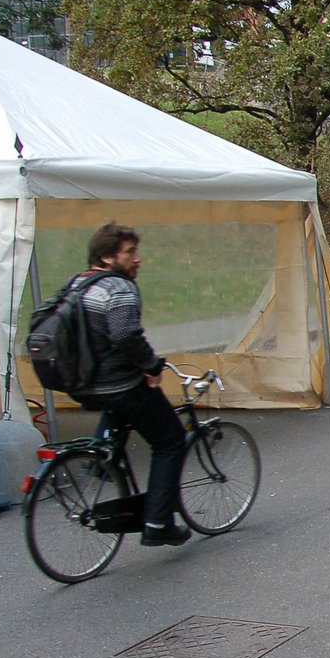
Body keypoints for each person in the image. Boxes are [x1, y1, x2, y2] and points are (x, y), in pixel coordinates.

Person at [73, 223, 192, 547]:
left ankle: (103, 460)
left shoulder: (77, 285)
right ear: (108, 256)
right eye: (130, 253)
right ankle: (158, 523)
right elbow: (125, 335)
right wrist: (152, 365)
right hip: (119, 384)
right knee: (170, 441)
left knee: (123, 411)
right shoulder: (118, 288)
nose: (137, 259)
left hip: (84, 384)